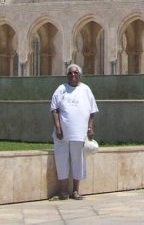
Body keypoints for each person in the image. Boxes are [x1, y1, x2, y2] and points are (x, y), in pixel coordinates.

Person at [50, 63, 99, 200]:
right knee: (61, 160)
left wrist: (90, 127)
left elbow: (92, 111)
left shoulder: (86, 90)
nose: (73, 75)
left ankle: (76, 191)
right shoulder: (61, 89)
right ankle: (63, 191)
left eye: (75, 73)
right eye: (70, 73)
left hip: (79, 133)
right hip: (62, 135)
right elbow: (54, 109)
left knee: (78, 161)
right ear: (67, 75)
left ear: (79, 75)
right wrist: (58, 127)